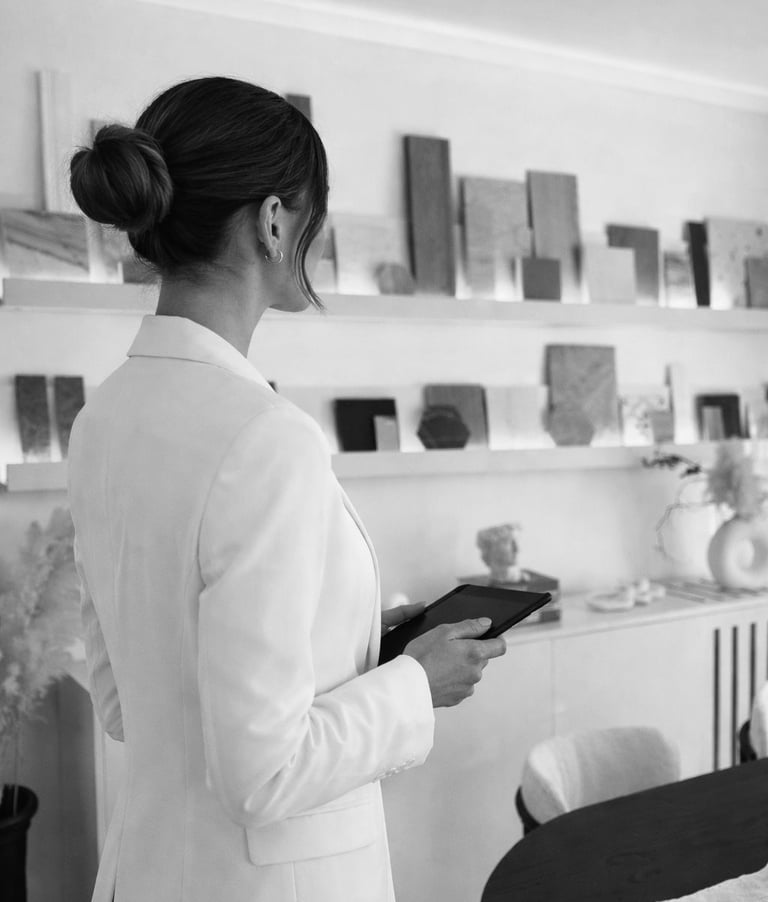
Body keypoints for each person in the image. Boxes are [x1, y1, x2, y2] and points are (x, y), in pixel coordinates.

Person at [67, 76, 506, 902]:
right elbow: (264, 772)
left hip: (146, 872)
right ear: (274, 221)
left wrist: (352, 649)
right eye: (315, 217)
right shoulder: (265, 438)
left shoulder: (102, 420)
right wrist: (416, 683)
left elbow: (129, 706)